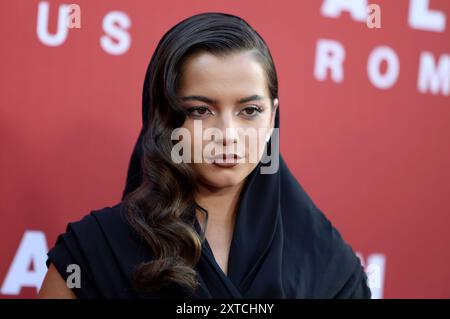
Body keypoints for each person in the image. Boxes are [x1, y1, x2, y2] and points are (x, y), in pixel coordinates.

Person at [38, 12, 371, 299]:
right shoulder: (94, 252)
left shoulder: (330, 267)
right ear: (164, 119)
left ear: (273, 117)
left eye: (250, 110)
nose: (227, 134)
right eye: (200, 110)